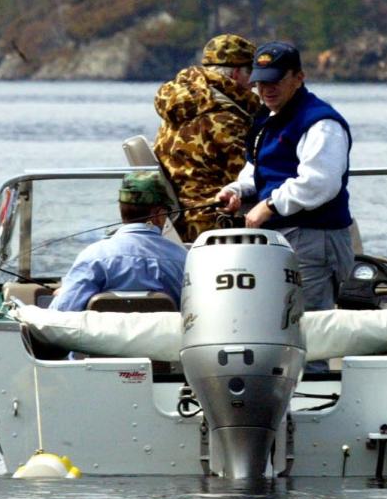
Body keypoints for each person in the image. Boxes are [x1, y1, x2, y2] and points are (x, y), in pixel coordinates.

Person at [214, 40, 355, 313]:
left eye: (275, 81)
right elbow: (256, 169)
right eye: (260, 82)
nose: (266, 89)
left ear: (299, 78)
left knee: (307, 328)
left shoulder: (321, 123)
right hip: (278, 235)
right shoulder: (268, 117)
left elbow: (319, 183)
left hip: (314, 238)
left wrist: (267, 206)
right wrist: (237, 191)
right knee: (275, 322)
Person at [153, 34, 261, 241]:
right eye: (252, 74)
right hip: (214, 222)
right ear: (237, 73)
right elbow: (250, 179)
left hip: (176, 221)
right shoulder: (224, 118)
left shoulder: (180, 104)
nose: (255, 84)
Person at [50, 172, 187, 312]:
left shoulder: (94, 256)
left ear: (121, 209)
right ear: (160, 214)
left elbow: (60, 314)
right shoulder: (184, 260)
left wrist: (64, 295)